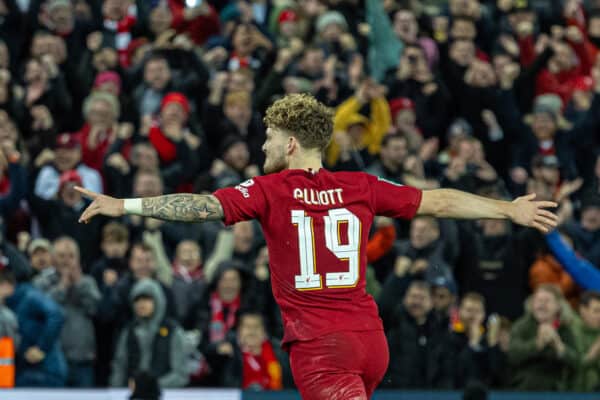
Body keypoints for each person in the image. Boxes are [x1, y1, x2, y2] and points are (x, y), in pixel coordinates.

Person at [75, 94, 558, 400]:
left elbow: (201, 207)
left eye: (268, 138)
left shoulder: (267, 191)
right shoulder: (361, 185)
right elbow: (442, 202)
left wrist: (125, 205)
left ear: (289, 144)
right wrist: (507, 210)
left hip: (321, 347)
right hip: (371, 342)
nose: (262, 147)